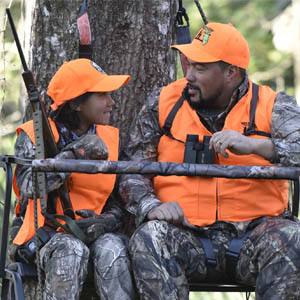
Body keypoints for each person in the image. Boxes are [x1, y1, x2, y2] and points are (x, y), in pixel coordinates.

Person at [119, 22, 300, 299]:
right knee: (150, 236)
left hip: (256, 234)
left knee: (293, 238)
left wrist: (255, 145)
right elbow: (131, 170)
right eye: (188, 64)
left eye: (200, 68)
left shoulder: (273, 105)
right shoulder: (163, 103)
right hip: (186, 234)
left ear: (231, 72)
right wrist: (151, 206)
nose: (189, 75)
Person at [9, 58, 137, 300]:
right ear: (77, 104)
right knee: (71, 249)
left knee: (113, 248)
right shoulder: (34, 135)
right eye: (102, 95)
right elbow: (28, 187)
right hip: (42, 236)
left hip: (94, 236)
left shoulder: (111, 140)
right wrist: (74, 155)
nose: (112, 102)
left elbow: (120, 203)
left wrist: (104, 223)